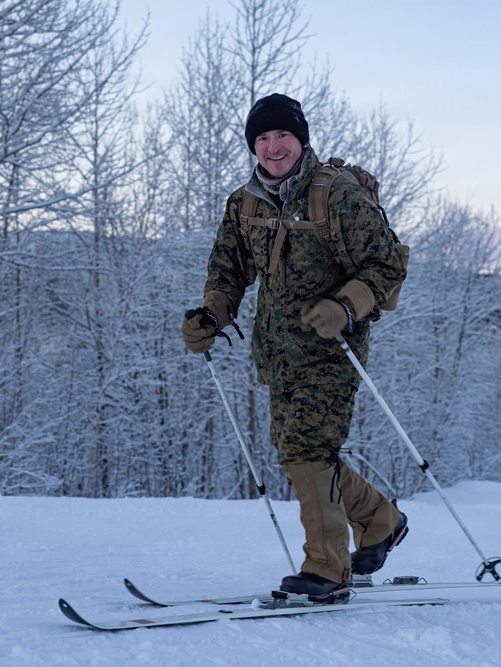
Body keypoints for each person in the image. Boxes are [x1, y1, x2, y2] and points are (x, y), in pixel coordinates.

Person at [181, 93, 408, 603]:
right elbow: (228, 268)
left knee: (307, 449)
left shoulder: (338, 195)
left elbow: (387, 263)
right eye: (262, 138)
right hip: (278, 351)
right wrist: (213, 314)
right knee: (299, 451)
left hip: (333, 347)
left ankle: (329, 568)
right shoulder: (245, 203)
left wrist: (345, 306)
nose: (273, 146)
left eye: (282, 135)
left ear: (300, 139)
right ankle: (380, 519)